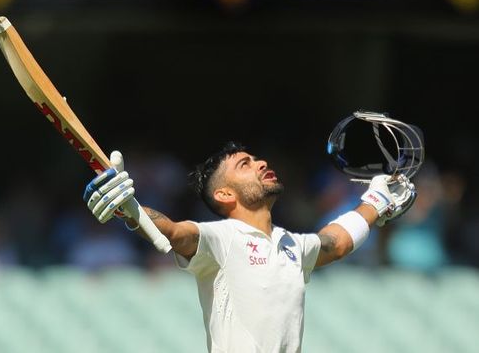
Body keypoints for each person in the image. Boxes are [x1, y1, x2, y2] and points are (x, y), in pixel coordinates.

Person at [83, 141, 416, 353]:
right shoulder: (221, 239)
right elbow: (172, 231)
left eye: (256, 159)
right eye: (244, 164)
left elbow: (337, 242)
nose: (259, 164)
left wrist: (376, 201)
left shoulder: (291, 245)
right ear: (225, 195)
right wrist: (130, 210)